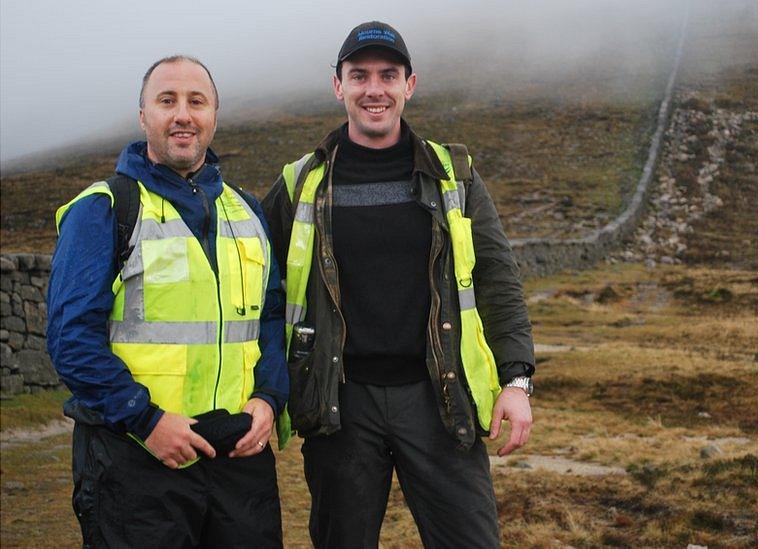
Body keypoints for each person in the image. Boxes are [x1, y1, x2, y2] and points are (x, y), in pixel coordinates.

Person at [262, 21, 535, 548]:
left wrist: (517, 380)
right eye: (359, 75)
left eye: (389, 75)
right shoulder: (301, 182)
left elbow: (497, 277)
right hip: (339, 406)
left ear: (410, 84)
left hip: (440, 399)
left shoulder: (454, 174)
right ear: (337, 85)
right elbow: (259, 286)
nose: (374, 89)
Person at [46, 55, 288, 548]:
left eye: (196, 102)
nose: (183, 114)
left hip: (238, 462)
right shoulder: (105, 209)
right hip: (135, 460)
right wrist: (146, 420)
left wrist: (269, 398)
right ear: (143, 117)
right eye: (167, 101)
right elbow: (71, 339)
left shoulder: (248, 210)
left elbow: (272, 318)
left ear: (214, 115)